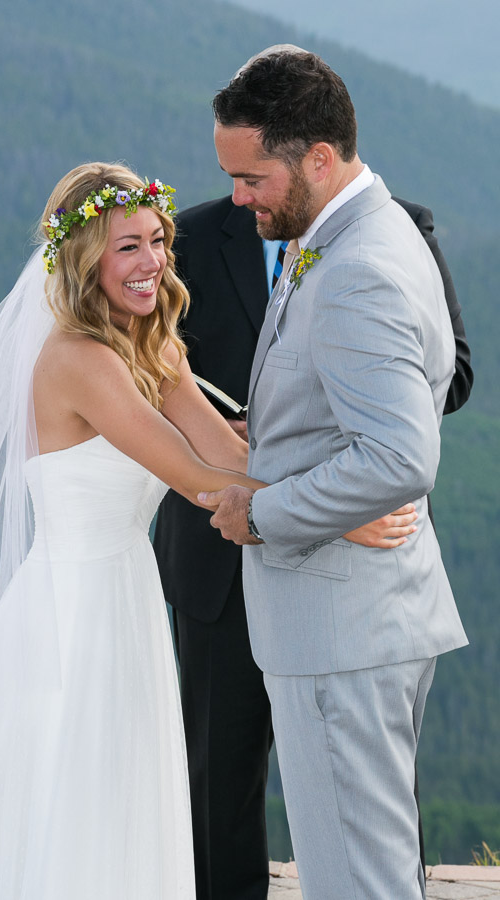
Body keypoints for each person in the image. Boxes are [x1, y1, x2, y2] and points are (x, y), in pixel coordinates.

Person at [0, 161, 422, 898]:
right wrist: (346, 517)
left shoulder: (154, 348)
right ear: (85, 259)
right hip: (68, 614)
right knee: (58, 799)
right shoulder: (77, 361)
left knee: (120, 801)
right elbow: (199, 480)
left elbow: (232, 455)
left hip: (130, 603)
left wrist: (335, 479)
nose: (153, 261)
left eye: (158, 239)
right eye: (128, 246)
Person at [200, 48, 469, 900]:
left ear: (319, 157)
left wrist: (265, 511)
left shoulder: (355, 267)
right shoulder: (356, 228)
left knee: (356, 880)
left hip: (340, 630)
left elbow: (398, 456)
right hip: (361, 620)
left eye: (251, 177)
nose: (238, 197)